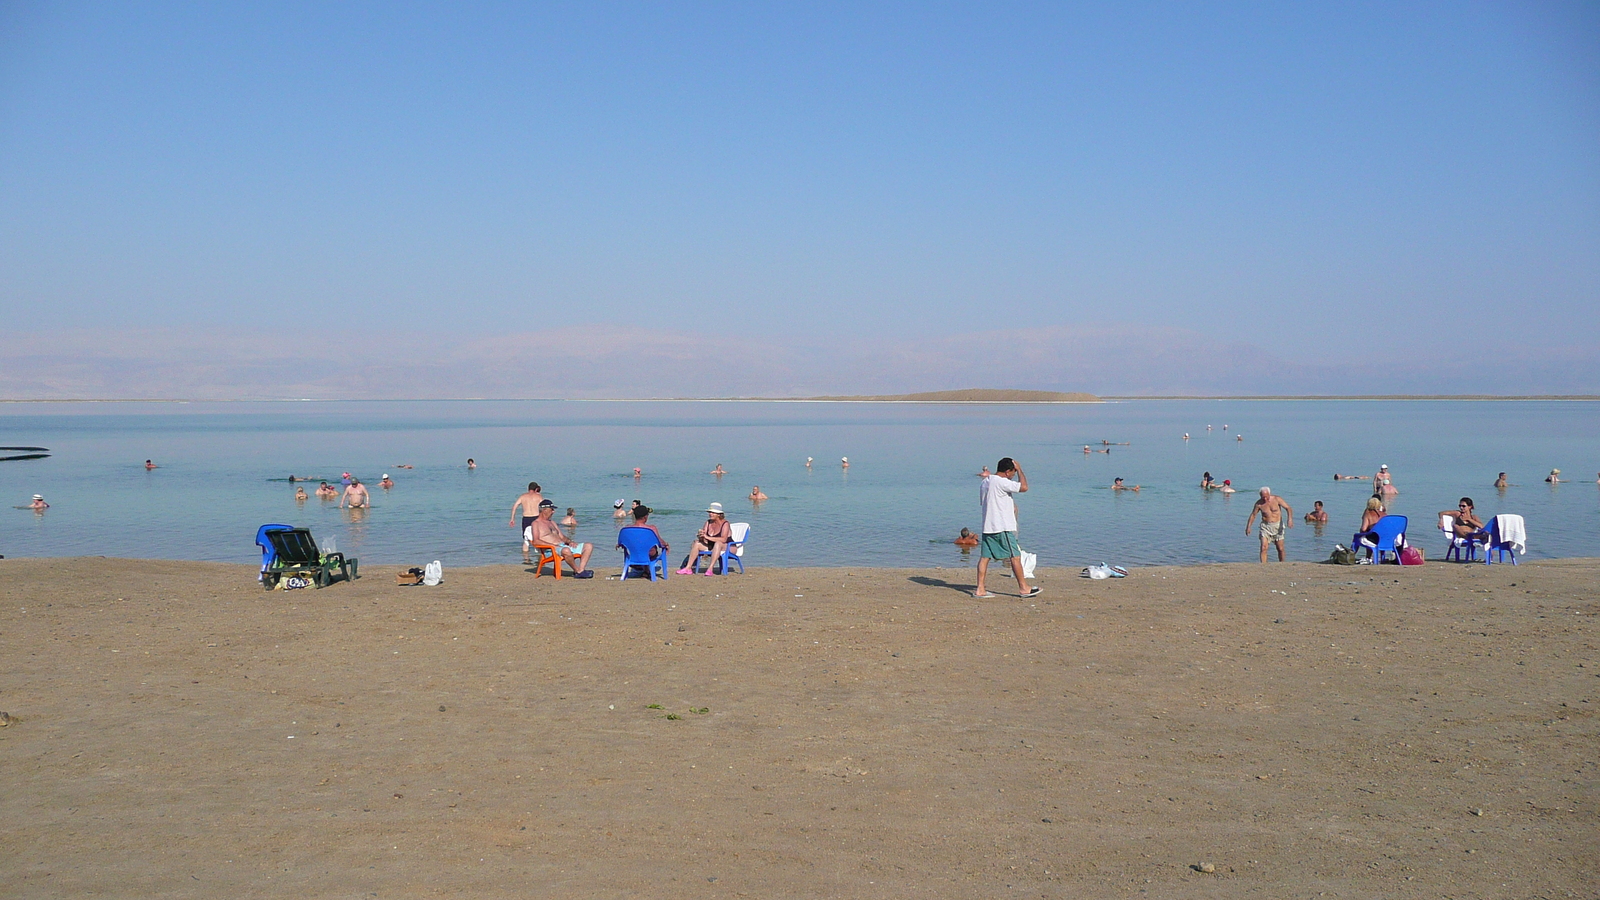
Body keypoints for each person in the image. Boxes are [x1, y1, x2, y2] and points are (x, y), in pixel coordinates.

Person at [973, 458, 1038, 599]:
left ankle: (980, 589)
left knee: (985, 557)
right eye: (1013, 473)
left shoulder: (985, 482)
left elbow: (986, 501)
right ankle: (1024, 588)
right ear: (1008, 472)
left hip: (988, 525)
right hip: (1001, 526)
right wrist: (1020, 469)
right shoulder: (1001, 481)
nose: (1013, 475)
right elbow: (1024, 487)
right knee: (1015, 556)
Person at [528, 499, 594, 577]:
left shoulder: (552, 522)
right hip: (551, 550)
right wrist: (553, 546)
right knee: (566, 550)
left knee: (588, 546)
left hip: (563, 546)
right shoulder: (536, 523)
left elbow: (562, 537)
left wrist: (570, 542)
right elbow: (536, 541)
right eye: (552, 509)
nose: (553, 512)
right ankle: (577, 571)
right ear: (544, 510)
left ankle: (581, 570)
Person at [679, 502, 734, 576]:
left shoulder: (725, 523)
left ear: (719, 514)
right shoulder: (708, 523)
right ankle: (688, 568)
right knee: (696, 543)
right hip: (712, 546)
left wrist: (706, 537)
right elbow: (705, 539)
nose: (710, 514)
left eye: (713, 512)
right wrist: (701, 536)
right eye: (710, 512)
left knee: (718, 543)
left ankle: (710, 568)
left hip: (728, 546)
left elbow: (723, 539)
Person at [1244, 486, 1294, 563]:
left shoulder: (1277, 499)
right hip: (1265, 527)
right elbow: (1253, 515)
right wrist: (1248, 527)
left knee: (1280, 548)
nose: (1265, 499)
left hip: (1277, 526)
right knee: (1263, 547)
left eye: (1266, 497)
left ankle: (1282, 563)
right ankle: (1263, 565)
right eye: (1262, 497)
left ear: (1269, 494)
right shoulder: (1259, 504)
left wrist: (1289, 519)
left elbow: (1288, 508)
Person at [509, 482, 545, 560]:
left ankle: (526, 558)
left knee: (526, 539)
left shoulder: (523, 496)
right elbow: (544, 508)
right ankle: (540, 557)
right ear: (536, 489)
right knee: (538, 538)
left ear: (528, 488)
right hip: (536, 518)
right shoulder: (538, 496)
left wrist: (512, 519)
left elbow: (514, 506)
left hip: (526, 518)